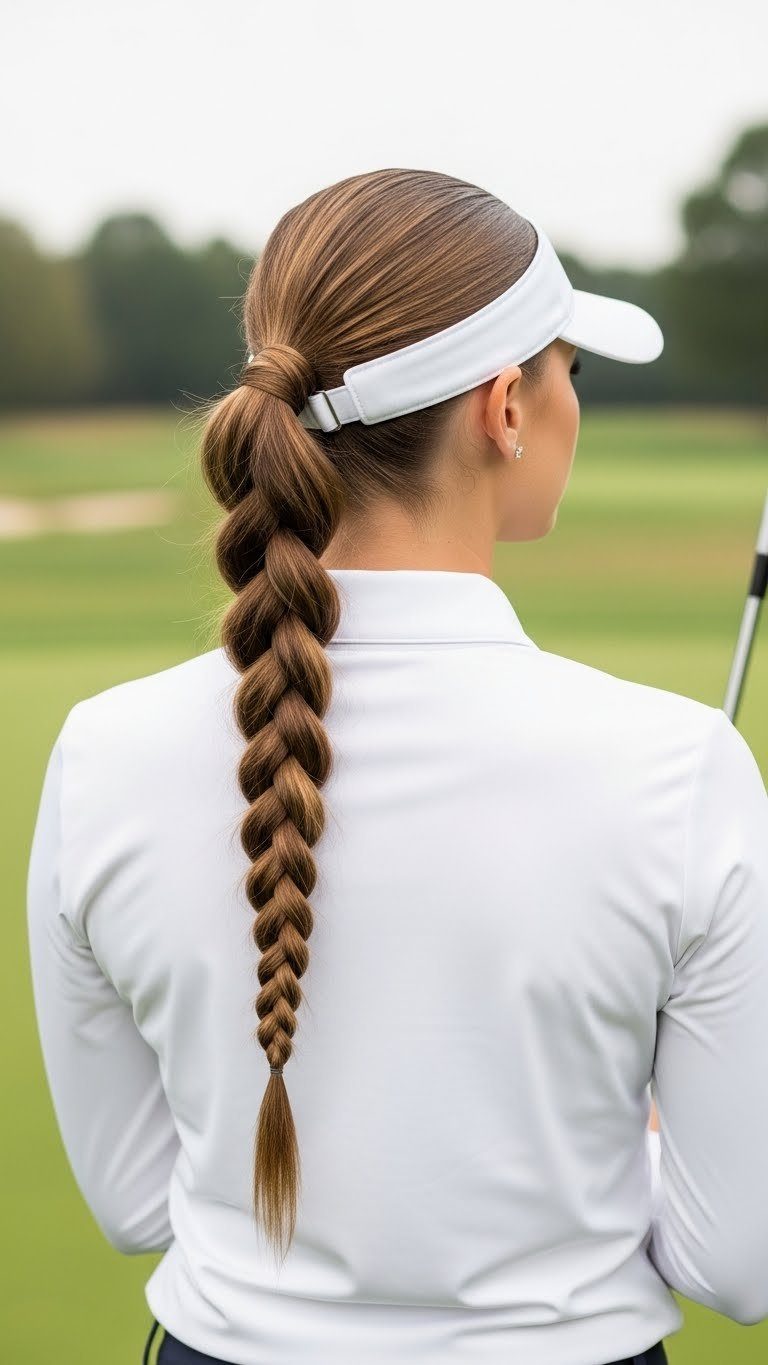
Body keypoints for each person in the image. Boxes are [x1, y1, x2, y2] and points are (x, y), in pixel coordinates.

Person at [26, 168, 768, 1365]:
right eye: (571, 369)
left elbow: (132, 1206)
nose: (577, 403)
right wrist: (622, 1147)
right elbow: (740, 1265)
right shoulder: (681, 770)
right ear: (506, 408)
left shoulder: (100, 752)